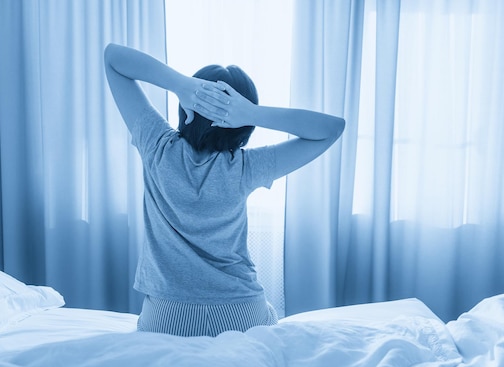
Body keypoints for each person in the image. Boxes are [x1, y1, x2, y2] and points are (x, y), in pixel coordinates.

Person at [104, 43, 345, 337]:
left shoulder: (157, 146)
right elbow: (332, 128)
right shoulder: (247, 167)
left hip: (167, 316)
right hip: (242, 314)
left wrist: (180, 85)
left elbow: (113, 58)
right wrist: (253, 113)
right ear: (242, 127)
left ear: (186, 108)